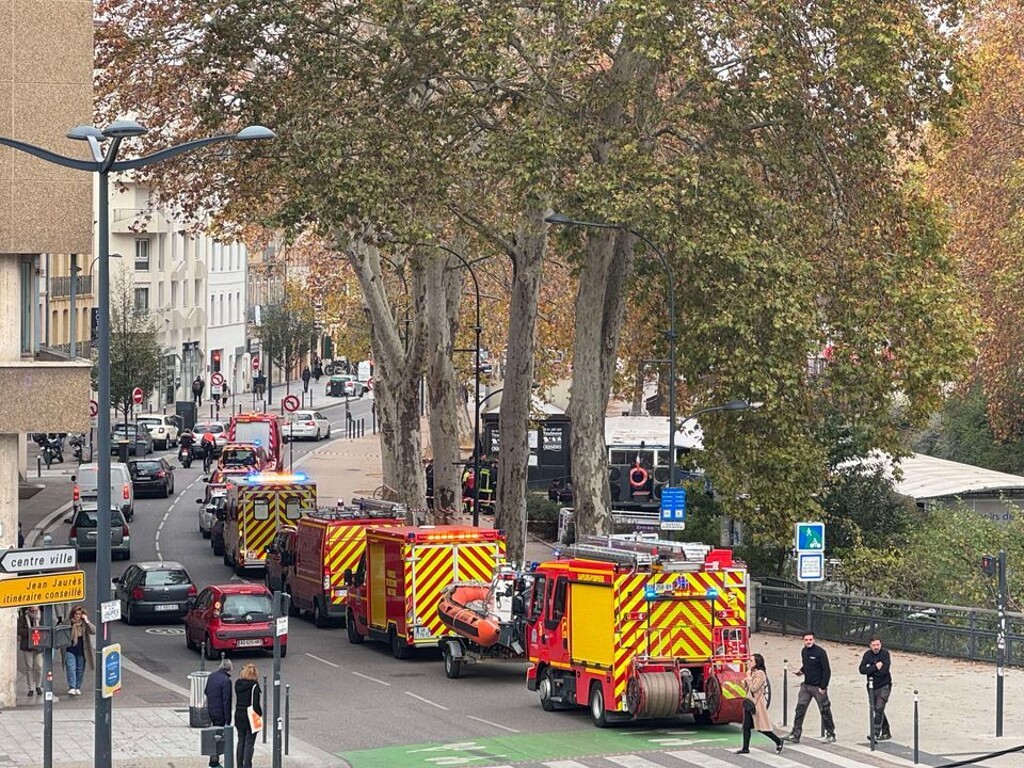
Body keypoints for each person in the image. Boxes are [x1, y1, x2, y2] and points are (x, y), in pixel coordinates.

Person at [785, 631, 836, 743]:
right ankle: (795, 733)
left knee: (825, 710)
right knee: (800, 709)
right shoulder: (804, 651)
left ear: (814, 640)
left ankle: (831, 733)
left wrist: (823, 686)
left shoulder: (820, 652)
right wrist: (801, 671)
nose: (808, 642)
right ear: (803, 640)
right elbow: (806, 665)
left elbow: (826, 670)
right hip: (806, 686)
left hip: (818, 687)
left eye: (810, 640)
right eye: (806, 640)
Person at [737, 653, 784, 754]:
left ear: (756, 663)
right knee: (746, 726)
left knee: (762, 727)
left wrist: (748, 678)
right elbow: (747, 687)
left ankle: (778, 740)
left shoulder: (760, 674)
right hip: (749, 702)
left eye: (751, 661)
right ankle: (745, 748)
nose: (749, 662)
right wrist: (745, 680)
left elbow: (754, 688)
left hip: (757, 704)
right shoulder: (751, 672)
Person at [859, 635, 893, 741]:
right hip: (871, 686)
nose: (876, 647)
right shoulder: (867, 655)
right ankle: (886, 731)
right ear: (870, 646)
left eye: (878, 645)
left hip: (884, 685)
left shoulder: (885, 654)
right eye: (874, 645)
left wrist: (871, 670)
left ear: (881, 644)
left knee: (879, 708)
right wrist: (875, 667)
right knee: (876, 709)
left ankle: (875, 733)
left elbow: (884, 671)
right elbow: (862, 669)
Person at [60, 604, 94, 696]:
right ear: (73, 614)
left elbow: (93, 631)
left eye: (79, 614)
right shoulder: (68, 622)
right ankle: (72, 687)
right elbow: (61, 631)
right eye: (76, 614)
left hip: (81, 650)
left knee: (80, 669)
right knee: (71, 668)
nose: (77, 616)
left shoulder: (84, 624)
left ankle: (77, 687)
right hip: (70, 649)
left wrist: (87, 620)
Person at [204, 659, 233, 767]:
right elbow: (226, 701)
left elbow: (206, 691)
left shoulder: (212, 676)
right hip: (220, 712)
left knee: (214, 733)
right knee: (219, 737)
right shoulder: (226, 681)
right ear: (229, 669)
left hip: (211, 710)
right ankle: (214, 760)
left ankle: (213, 759)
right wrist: (228, 719)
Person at [234, 662, 262, 768]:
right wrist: (260, 714)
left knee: (241, 741)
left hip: (238, 715)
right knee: (249, 743)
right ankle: (247, 765)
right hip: (250, 717)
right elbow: (255, 705)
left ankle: (239, 765)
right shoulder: (254, 686)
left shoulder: (238, 684)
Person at [17, 605, 44, 697]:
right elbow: (19, 631)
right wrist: (31, 631)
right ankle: (31, 688)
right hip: (27, 645)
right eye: (32, 605)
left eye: (36, 606)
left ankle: (38, 686)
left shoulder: (41, 616)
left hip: (38, 645)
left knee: (39, 666)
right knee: (29, 667)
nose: (34, 607)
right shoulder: (23, 617)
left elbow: (45, 629)